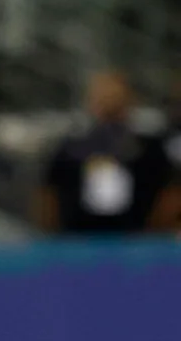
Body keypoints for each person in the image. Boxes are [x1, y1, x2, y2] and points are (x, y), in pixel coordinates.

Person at [37, 69, 181, 234]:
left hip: (136, 240)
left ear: (130, 101)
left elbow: (171, 193)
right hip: (79, 240)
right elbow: (48, 193)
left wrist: (156, 233)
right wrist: (51, 236)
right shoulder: (70, 147)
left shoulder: (150, 147)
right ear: (91, 102)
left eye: (116, 98)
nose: (109, 103)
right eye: (103, 98)